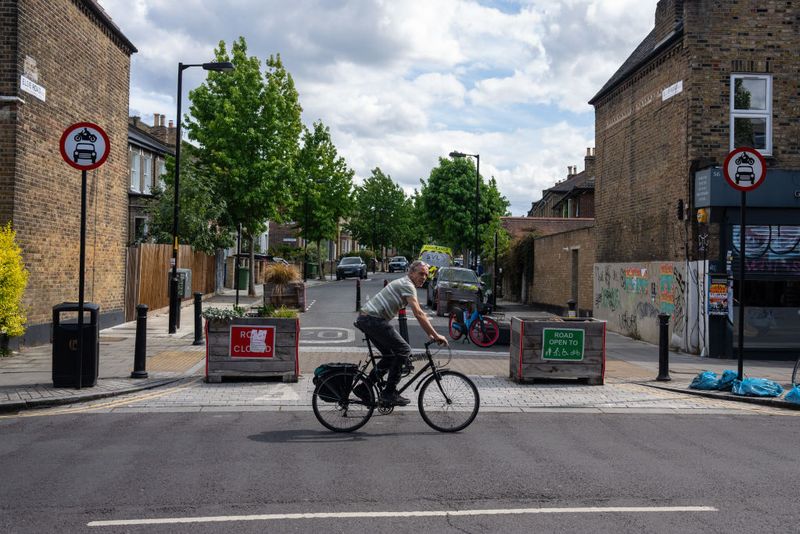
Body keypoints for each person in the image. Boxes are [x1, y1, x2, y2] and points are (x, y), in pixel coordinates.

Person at [356, 260, 448, 405]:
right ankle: (389, 393)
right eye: (421, 273)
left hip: (369, 319)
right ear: (411, 273)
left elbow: (419, 313)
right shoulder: (407, 285)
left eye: (426, 275)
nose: (424, 277)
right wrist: (435, 335)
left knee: (390, 356)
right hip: (372, 320)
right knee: (404, 350)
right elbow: (418, 313)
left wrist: (430, 334)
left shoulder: (407, 284)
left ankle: (364, 388)